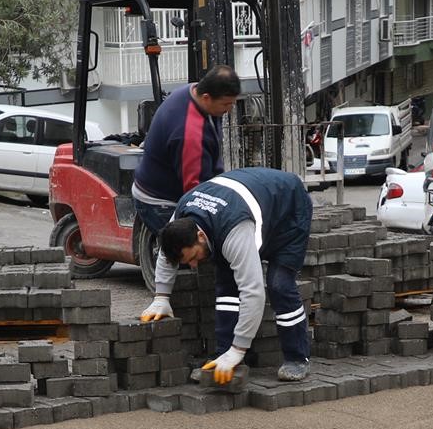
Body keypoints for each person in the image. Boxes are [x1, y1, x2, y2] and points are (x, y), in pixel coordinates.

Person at [158, 168, 314, 384]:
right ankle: (225, 354)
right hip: (249, 201)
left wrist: (239, 348)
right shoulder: (182, 214)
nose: (193, 265)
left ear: (200, 236)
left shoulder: (234, 230)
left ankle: (297, 358)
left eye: (193, 256)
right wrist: (161, 297)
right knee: (226, 285)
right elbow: (166, 255)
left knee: (279, 284)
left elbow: (253, 292)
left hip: (288, 208)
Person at [132, 65, 242, 323]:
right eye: (226, 105)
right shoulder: (190, 134)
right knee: (183, 242)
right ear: (207, 98)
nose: (229, 110)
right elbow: (194, 201)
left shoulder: (195, 91)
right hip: (160, 198)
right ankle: (178, 309)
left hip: (173, 183)